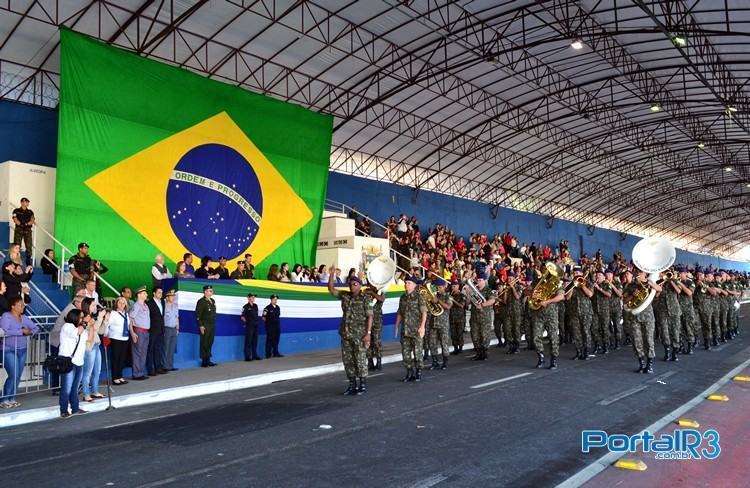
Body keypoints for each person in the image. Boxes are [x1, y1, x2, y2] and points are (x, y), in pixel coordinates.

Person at [328, 269, 372, 395]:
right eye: (350, 284)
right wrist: (331, 274)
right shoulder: (345, 295)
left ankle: (362, 384)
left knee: (360, 358)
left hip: (359, 334)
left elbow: (370, 316)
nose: (352, 287)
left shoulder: (365, 298)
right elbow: (331, 289)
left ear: (360, 286)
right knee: (348, 360)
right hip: (346, 333)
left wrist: (368, 333)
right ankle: (352, 384)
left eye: (354, 284)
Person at [0, 296, 39, 408]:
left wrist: (30, 332)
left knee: (17, 375)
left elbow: (36, 328)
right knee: (13, 374)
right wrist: (21, 331)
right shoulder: (6, 316)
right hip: (8, 349)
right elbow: (5, 331)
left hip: (22, 349)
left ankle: (12, 398)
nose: (23, 306)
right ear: (13, 306)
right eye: (20, 305)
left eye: (23, 305)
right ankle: (4, 399)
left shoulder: (24, 317)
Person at [623, 268, 661, 373]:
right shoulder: (630, 285)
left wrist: (649, 282)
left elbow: (659, 289)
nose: (638, 273)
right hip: (634, 317)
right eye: (637, 271)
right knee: (636, 341)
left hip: (648, 316)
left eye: (640, 272)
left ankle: (649, 364)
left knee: (649, 339)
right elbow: (624, 300)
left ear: (645, 273)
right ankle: (641, 363)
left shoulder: (650, 283)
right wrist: (632, 295)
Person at [394, 276, 427, 382]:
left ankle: (418, 372)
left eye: (409, 283)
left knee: (417, 352)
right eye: (405, 282)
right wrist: (396, 326)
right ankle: (409, 372)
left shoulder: (419, 297)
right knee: (406, 353)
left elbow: (424, 313)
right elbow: (400, 312)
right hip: (405, 330)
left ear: (414, 285)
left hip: (416, 330)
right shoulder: (402, 297)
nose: (406, 284)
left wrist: (422, 327)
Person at [58, 308, 87, 418]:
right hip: (68, 360)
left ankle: (75, 408)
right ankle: (63, 410)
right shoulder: (68, 326)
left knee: (74, 388)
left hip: (79, 361)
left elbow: (88, 338)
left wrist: (92, 325)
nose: (83, 319)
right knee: (66, 388)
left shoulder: (81, 328)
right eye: (81, 317)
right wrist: (84, 323)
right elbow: (76, 333)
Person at [80, 297, 107, 402]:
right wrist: (100, 318)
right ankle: (86, 394)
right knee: (87, 372)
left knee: (97, 370)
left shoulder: (91, 317)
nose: (95, 307)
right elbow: (92, 329)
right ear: (87, 306)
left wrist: (105, 320)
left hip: (96, 345)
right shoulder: (83, 318)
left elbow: (100, 331)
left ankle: (95, 391)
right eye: (93, 305)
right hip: (89, 347)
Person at [468, 271, 495, 360]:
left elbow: (492, 300)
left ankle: (484, 353)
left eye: (480, 280)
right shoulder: (474, 290)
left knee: (484, 335)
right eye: (478, 280)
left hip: (484, 317)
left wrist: (483, 305)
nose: (478, 282)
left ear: (484, 281)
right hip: (474, 317)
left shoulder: (488, 290)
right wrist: (468, 295)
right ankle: (478, 352)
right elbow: (468, 302)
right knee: (474, 335)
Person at [428, 278, 453, 370]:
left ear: (444, 287)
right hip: (433, 323)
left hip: (443, 324)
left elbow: (448, 306)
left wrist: (438, 301)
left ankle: (445, 362)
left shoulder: (448, 296)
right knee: (432, 343)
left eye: (440, 287)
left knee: (444, 343)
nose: (438, 289)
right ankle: (435, 362)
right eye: (437, 287)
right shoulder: (433, 296)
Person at [105, 297, 131, 385]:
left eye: (123, 303)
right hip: (115, 338)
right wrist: (107, 336)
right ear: (116, 304)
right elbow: (107, 325)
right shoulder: (113, 313)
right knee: (116, 358)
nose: (122, 305)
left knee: (122, 358)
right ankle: (115, 378)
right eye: (120, 303)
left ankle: (120, 376)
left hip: (124, 338)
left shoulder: (126, 314)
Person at [129, 286, 151, 380]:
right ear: (139, 295)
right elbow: (130, 320)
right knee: (137, 353)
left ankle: (141, 372)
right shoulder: (136, 306)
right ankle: (136, 374)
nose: (146, 294)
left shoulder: (145, 305)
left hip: (146, 331)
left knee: (143, 353)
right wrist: (132, 333)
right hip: (138, 331)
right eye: (144, 293)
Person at [146, 287, 167, 375]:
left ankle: (158, 367)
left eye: (161, 292)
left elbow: (162, 316)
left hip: (161, 329)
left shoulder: (162, 302)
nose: (161, 294)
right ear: (154, 293)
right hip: (153, 329)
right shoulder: (149, 303)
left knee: (158, 349)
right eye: (159, 292)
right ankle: (150, 369)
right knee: (150, 349)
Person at [196, 285, 217, 367]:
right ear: (205, 292)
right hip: (205, 324)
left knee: (210, 342)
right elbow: (198, 315)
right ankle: (204, 361)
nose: (211, 292)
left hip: (212, 324)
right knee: (204, 342)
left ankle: (208, 359)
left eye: (211, 290)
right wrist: (201, 325)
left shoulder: (212, 301)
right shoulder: (201, 301)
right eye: (209, 291)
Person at [365, 285, 385, 371]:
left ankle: (379, 362)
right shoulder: (365, 292)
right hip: (366, 321)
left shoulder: (380, 292)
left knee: (376, 341)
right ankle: (370, 362)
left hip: (377, 321)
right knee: (368, 342)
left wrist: (372, 293)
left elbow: (382, 299)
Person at [11, 197, 34, 265]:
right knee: (17, 245)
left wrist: (26, 224)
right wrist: (20, 224)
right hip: (19, 229)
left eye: (28, 202)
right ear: (22, 202)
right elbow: (15, 219)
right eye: (26, 202)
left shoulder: (30, 212)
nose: (27, 203)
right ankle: (15, 259)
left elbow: (32, 220)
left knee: (29, 245)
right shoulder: (16, 210)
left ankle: (28, 259)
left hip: (27, 230)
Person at [241, 293, 261, 361]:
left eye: (254, 297)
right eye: (252, 297)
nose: (253, 298)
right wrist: (246, 322)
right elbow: (242, 316)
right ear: (248, 298)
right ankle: (247, 356)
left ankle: (254, 355)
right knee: (248, 341)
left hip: (255, 325)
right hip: (249, 326)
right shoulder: (245, 306)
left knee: (255, 341)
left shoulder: (255, 306)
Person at [163, 289, 179, 371]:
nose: (173, 297)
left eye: (173, 296)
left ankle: (170, 365)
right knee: (166, 347)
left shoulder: (175, 305)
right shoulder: (164, 306)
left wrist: (177, 328)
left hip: (173, 328)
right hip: (166, 328)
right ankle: (164, 366)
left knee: (172, 348)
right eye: (171, 296)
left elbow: (177, 317)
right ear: (167, 297)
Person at [448, 281, 466, 355]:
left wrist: (453, 300)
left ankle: (460, 348)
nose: (453, 288)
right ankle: (455, 348)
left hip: (460, 317)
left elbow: (462, 305)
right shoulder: (450, 295)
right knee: (453, 334)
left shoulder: (462, 295)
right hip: (452, 317)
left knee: (459, 333)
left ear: (458, 287)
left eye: (454, 286)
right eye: (452, 286)